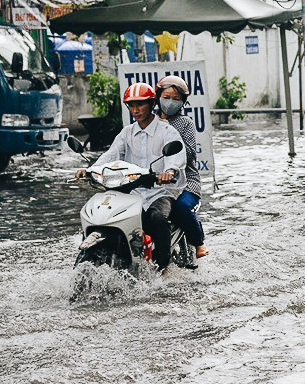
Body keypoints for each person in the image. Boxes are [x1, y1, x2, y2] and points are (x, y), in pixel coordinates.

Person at [75, 82, 185, 271]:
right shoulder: (127, 133)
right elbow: (111, 155)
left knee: (157, 218)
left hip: (160, 190)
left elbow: (175, 157)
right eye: (131, 105)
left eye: (140, 104)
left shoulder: (167, 131)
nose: (135, 109)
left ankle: (164, 266)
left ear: (152, 104)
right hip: (131, 189)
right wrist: (91, 169)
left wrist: (170, 172)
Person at [155, 75, 209, 258]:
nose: (170, 102)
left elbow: (191, 154)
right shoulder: (149, 121)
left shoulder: (185, 123)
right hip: (156, 180)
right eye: (166, 97)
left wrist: (170, 130)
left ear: (183, 102)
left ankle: (198, 242)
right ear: (158, 97)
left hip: (185, 181)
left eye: (176, 99)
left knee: (180, 208)